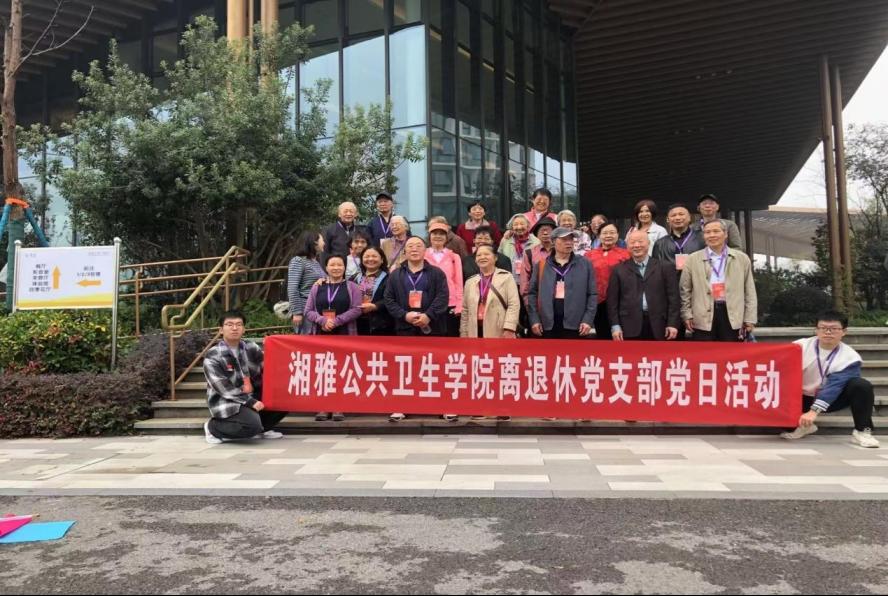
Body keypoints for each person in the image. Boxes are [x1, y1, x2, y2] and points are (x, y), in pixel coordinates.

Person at [781, 310, 879, 448]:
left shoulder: (850, 357)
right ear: (816, 330)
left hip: (831, 399)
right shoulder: (799, 346)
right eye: (823, 328)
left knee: (861, 385)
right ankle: (803, 426)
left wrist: (813, 412)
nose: (828, 332)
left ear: (844, 331)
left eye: (834, 329)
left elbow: (835, 386)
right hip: (798, 397)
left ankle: (862, 431)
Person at [384, 236, 450, 422]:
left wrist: (428, 315)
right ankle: (402, 406)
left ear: (425, 250)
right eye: (410, 246)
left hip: (433, 328)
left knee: (436, 368)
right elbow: (389, 300)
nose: (414, 249)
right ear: (404, 251)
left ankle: (443, 406)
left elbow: (443, 297)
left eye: (418, 246)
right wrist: (404, 315)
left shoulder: (437, 273)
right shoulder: (395, 275)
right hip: (405, 328)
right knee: (406, 369)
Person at [204, 311, 285, 444]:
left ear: (244, 329)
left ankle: (263, 428)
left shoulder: (251, 347)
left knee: (286, 396)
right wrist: (250, 402)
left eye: (239, 324)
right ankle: (213, 428)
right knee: (251, 425)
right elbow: (223, 388)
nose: (234, 328)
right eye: (229, 324)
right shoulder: (213, 355)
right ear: (221, 330)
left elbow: (269, 368)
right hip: (228, 400)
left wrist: (272, 347)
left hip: (253, 395)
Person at [461, 244, 521, 422]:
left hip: (499, 330)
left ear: (495, 257)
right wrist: (464, 334)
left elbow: (514, 304)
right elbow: (465, 310)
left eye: (486, 254)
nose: (482, 257)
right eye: (479, 255)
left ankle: (503, 406)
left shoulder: (506, 277)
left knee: (500, 369)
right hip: (476, 331)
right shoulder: (471, 282)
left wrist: (509, 328)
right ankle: (480, 406)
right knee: (479, 370)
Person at [304, 254, 363, 422]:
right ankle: (323, 406)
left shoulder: (352, 287)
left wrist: (336, 321)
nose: (336, 268)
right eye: (332, 265)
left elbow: (357, 309)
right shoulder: (317, 287)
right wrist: (322, 320)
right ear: (326, 267)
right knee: (323, 370)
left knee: (341, 370)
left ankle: (338, 406)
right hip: (321, 334)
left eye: (339, 265)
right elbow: (308, 310)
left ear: (344, 267)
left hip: (344, 333)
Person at [680, 219, 757, 342]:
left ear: (725, 234)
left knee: (730, 352)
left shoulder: (741, 258)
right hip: (702, 315)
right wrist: (687, 314)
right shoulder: (692, 259)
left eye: (716, 231)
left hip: (732, 314)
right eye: (707, 232)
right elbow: (685, 290)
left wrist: (750, 317)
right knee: (705, 352)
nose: (712, 235)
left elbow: (750, 290)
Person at [608, 230, 680, 341]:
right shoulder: (618, 269)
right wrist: (615, 326)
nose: (637, 245)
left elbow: (674, 298)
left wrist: (672, 323)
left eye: (640, 241)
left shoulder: (665, 267)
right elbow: (612, 301)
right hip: (628, 325)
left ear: (648, 243)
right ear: (627, 246)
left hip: (660, 325)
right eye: (632, 242)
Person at [527, 227, 597, 339]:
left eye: (571, 239)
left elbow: (592, 294)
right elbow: (532, 294)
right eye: (564, 239)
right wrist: (534, 319)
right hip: (547, 323)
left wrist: (588, 320)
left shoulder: (585, 264)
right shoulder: (541, 265)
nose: (569, 242)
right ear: (553, 241)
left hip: (577, 324)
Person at [585, 222, 631, 339]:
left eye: (612, 232)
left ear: (618, 235)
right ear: (599, 235)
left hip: (620, 302)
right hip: (598, 302)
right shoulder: (589, 255)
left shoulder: (626, 254)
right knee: (602, 335)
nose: (608, 235)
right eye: (605, 233)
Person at [425, 221, 464, 336]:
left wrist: (459, 305)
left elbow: (459, 282)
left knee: (450, 336)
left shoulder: (454, 257)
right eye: (434, 233)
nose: (438, 236)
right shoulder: (423, 255)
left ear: (446, 237)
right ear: (429, 236)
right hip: (428, 303)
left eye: (441, 234)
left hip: (450, 302)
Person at [287, 230, 326, 334]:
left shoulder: (315, 262)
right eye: (322, 240)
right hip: (304, 309)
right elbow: (292, 288)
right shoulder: (298, 260)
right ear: (314, 242)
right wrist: (297, 312)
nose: (324, 243)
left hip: (316, 309)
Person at [652, 203, 706, 272]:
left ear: (689, 217)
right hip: (670, 278)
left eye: (681, 214)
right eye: (673, 215)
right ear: (668, 220)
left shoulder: (702, 238)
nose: (677, 218)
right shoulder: (660, 244)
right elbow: (656, 269)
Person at [354, 246, 394, 336]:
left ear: (382, 259)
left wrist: (375, 306)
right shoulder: (355, 278)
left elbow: (393, 299)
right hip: (358, 323)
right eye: (367, 256)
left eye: (374, 256)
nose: (370, 259)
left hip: (382, 325)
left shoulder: (390, 278)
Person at [520, 216, 557, 299]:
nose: (545, 233)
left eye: (548, 230)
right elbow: (525, 278)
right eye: (542, 230)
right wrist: (527, 299)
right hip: (537, 296)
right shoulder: (529, 253)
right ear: (537, 234)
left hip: (558, 296)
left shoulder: (561, 251)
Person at [498, 214, 539, 287]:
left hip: (529, 282)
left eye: (522, 224)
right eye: (515, 224)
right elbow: (499, 257)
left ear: (528, 226)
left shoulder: (536, 242)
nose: (519, 227)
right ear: (512, 227)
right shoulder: (505, 240)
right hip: (509, 282)